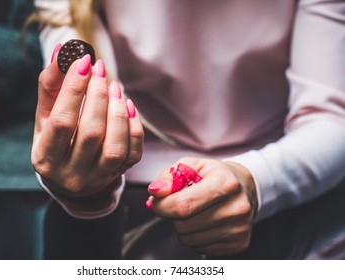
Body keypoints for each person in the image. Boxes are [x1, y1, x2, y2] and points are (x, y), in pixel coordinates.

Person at [31, 0, 345, 259]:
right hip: (134, 192)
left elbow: (330, 119)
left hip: (288, 188)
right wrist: (84, 180)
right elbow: (77, 116)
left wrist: (251, 178)